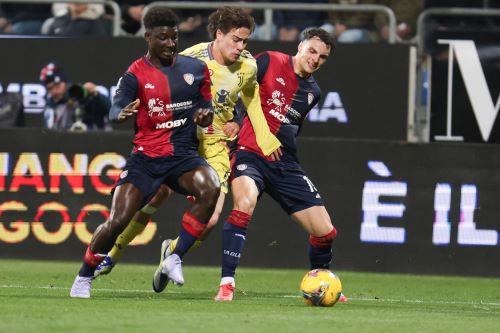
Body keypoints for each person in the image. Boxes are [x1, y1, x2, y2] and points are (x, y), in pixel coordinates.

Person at [93, 7, 282, 294]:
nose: (241, 47)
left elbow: (250, 96)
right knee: (154, 196)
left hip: (216, 142)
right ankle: (114, 252)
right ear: (219, 35)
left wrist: (238, 120)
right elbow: (152, 85)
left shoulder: (248, 66)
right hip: (182, 139)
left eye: (245, 41)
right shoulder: (190, 57)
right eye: (236, 40)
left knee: (212, 217)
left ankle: (173, 253)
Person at [69, 6, 220, 298]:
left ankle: (175, 256)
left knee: (211, 188)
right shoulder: (134, 75)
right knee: (118, 221)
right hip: (146, 158)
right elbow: (115, 108)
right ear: (148, 37)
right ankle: (84, 276)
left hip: (183, 155)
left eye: (174, 37)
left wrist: (206, 117)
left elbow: (207, 106)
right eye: (163, 38)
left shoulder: (195, 69)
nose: (171, 44)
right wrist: (120, 113)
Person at [213, 28, 345, 302]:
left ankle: (321, 281)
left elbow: (292, 127)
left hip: (284, 163)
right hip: (250, 153)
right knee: (244, 204)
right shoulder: (269, 60)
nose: (315, 59)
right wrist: (237, 122)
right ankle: (227, 284)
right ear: (300, 46)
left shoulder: (313, 92)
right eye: (312, 51)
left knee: (325, 232)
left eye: (322, 57)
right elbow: (241, 90)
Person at [39, 62, 111, 131]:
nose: (54, 91)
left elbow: (108, 110)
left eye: (57, 86)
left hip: (93, 142)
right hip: (63, 142)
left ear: (65, 82)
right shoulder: (49, 106)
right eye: (50, 88)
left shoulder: (81, 96)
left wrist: (96, 95)